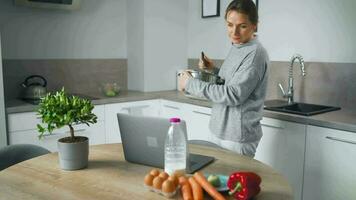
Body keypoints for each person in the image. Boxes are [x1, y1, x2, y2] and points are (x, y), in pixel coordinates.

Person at [178, 0, 269, 157]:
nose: (234, 32)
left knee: (229, 181)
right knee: (214, 180)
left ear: (255, 25)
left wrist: (190, 84)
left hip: (236, 138)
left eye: (242, 26)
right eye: (229, 25)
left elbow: (234, 94)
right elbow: (230, 81)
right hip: (220, 131)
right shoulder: (239, 46)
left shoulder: (255, 55)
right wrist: (212, 70)